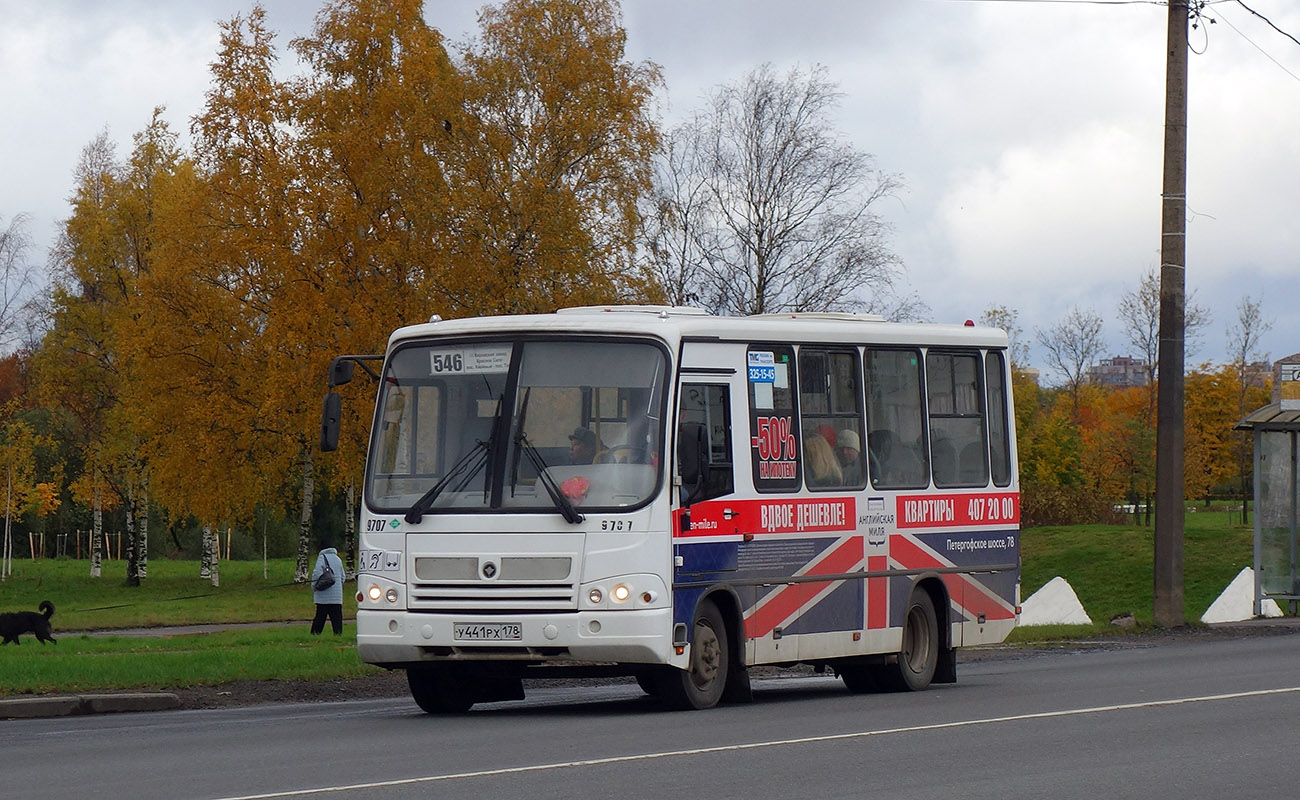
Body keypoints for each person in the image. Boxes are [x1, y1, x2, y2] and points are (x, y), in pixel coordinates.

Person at [310, 539, 345, 635]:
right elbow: (343, 577)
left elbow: (316, 574)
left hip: (323, 595)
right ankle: (338, 634)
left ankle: (315, 633)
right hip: (337, 597)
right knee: (337, 617)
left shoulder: (322, 558)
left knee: (320, 616)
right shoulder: (338, 559)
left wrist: (314, 587)